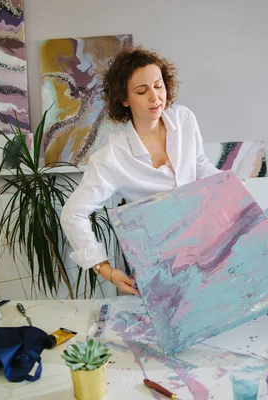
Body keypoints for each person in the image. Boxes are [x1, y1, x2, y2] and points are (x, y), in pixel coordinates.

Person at [60, 47, 220, 296]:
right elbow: (73, 214)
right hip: (158, 262)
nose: (155, 98)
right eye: (142, 91)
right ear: (124, 99)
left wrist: (230, 189)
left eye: (158, 86)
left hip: (202, 244)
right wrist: (104, 268)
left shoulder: (184, 119)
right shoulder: (112, 157)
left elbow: (199, 165)